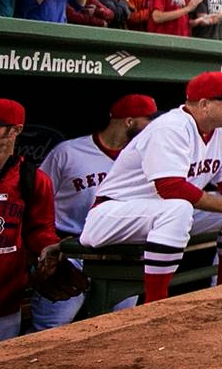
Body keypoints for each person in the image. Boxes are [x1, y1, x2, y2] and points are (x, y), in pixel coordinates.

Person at [79, 72, 222, 304]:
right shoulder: (171, 127)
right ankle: (156, 304)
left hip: (159, 214)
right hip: (112, 214)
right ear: (204, 105)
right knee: (179, 208)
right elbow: (170, 187)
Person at [31, 94, 159, 330]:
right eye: (149, 121)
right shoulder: (68, 152)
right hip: (71, 251)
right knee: (52, 327)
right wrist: (46, 246)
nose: (154, 128)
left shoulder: (146, 159)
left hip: (121, 253)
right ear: (129, 122)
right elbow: (38, 199)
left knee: (119, 327)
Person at [0, 99, 61, 345]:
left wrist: (50, 250)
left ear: (15, 130)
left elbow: (39, 229)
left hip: (4, 300)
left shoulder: (33, 179)